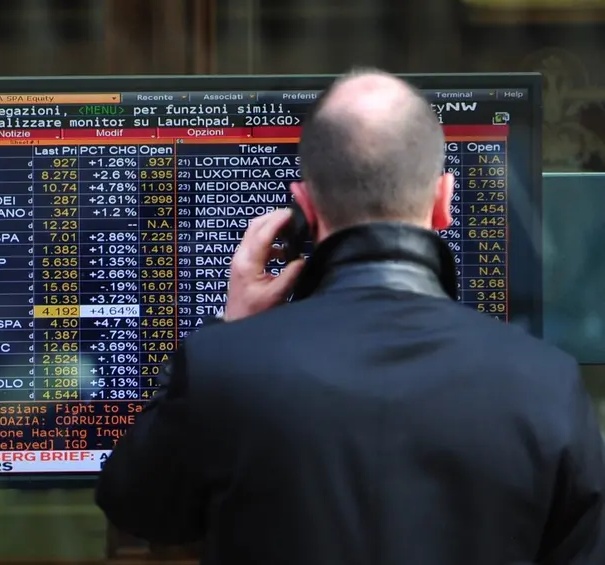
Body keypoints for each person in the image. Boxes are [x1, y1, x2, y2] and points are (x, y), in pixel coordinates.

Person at [95, 69, 605, 564]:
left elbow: (136, 508)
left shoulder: (222, 368)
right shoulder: (547, 383)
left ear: (304, 206)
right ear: (444, 201)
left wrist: (230, 329)